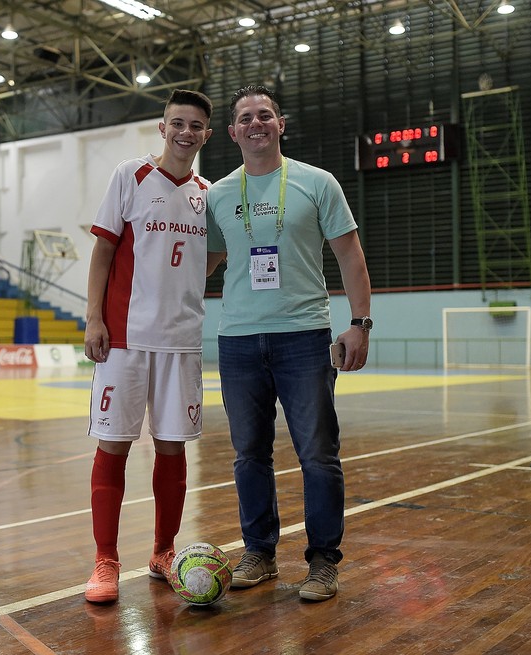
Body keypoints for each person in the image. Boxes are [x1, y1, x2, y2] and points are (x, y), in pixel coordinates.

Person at [205, 85, 372, 602]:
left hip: (303, 337)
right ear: (232, 132)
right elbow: (205, 265)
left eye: (265, 115)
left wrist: (359, 323)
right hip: (237, 341)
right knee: (247, 455)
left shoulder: (316, 184)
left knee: (318, 455)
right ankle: (259, 552)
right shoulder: (216, 195)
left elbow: (351, 257)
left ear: (281, 124)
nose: (255, 123)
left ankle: (323, 562)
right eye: (245, 118)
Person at [82, 89, 214, 604]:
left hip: (180, 343)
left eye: (196, 125)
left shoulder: (209, 193)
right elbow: (102, 251)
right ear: (163, 128)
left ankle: (163, 552)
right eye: (177, 123)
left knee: (172, 448)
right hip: (124, 339)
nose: (185, 132)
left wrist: (177, 289)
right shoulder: (130, 175)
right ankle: (105, 560)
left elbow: (214, 256)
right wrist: (94, 317)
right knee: (112, 445)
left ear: (206, 133)